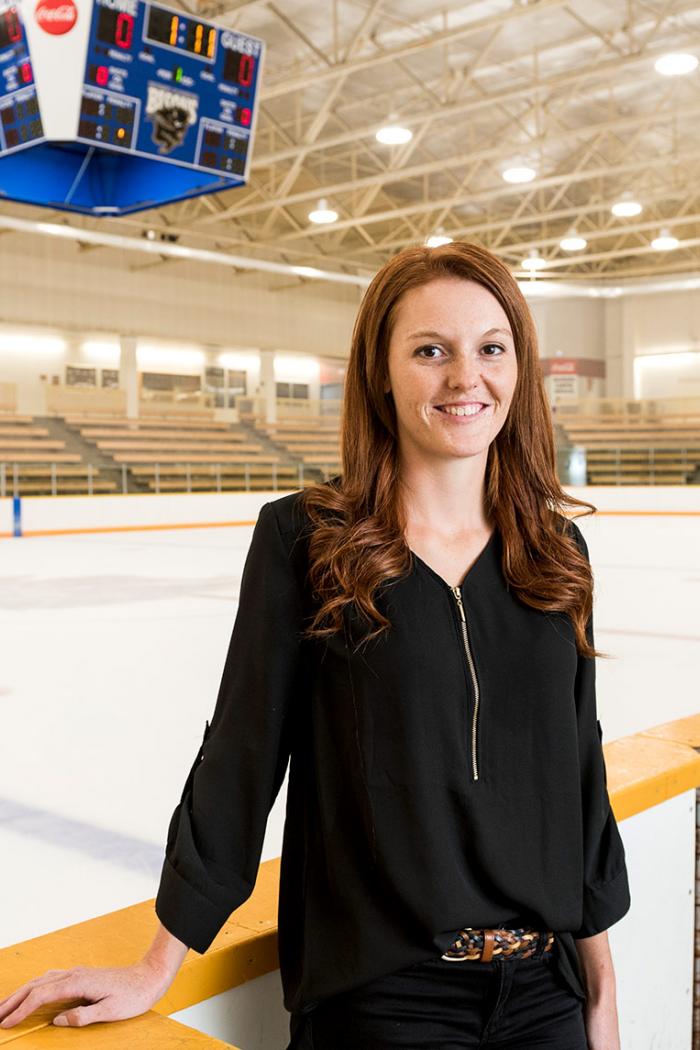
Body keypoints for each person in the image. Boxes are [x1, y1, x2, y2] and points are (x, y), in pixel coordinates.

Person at [0, 242, 630, 1049]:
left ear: (519, 368)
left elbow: (577, 771)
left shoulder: (555, 553)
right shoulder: (308, 540)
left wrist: (601, 990)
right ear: (381, 372)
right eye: (430, 350)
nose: (464, 378)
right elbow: (242, 756)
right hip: (385, 1003)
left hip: (546, 997)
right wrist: (158, 963)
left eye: (490, 349)